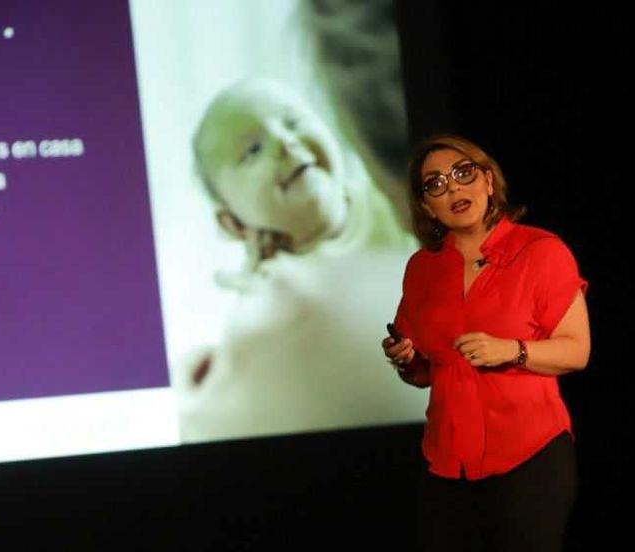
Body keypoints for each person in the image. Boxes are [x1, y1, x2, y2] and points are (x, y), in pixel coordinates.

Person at [176, 78, 425, 442]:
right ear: (233, 223)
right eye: (253, 150)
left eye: (293, 122)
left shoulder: (393, 203)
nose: (284, 141)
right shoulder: (270, 291)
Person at [382, 134, 590, 551]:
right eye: (435, 184)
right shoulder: (423, 269)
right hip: (447, 463)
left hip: (529, 458)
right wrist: (406, 360)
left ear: (488, 182)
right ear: (427, 206)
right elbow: (424, 372)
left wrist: (512, 349)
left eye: (463, 173)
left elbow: (576, 351)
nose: (454, 188)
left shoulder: (540, 251)